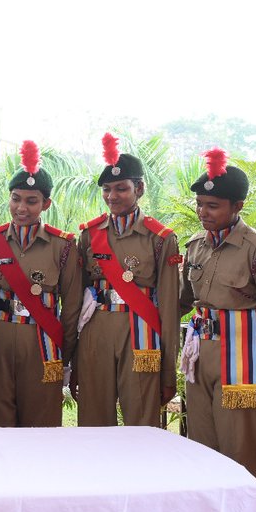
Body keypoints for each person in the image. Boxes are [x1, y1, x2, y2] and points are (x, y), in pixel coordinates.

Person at [179, 148, 256, 480]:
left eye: (213, 206)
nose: (203, 212)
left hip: (243, 359)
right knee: (200, 447)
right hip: (200, 359)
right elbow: (183, 301)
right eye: (200, 204)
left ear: (237, 207)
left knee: (239, 452)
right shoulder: (195, 247)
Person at [0, 140, 81, 427]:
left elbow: (71, 306)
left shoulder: (63, 246)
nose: (21, 207)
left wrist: (64, 351)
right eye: (16, 198)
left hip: (42, 342)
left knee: (40, 421)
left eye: (31, 201)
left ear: (46, 203)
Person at [74, 133, 180, 427]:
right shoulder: (89, 235)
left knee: (142, 421)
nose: (113, 196)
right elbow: (74, 297)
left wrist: (168, 373)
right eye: (107, 189)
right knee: (93, 421)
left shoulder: (161, 239)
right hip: (96, 333)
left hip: (141, 337)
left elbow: (169, 309)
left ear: (140, 188)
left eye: (122, 188)